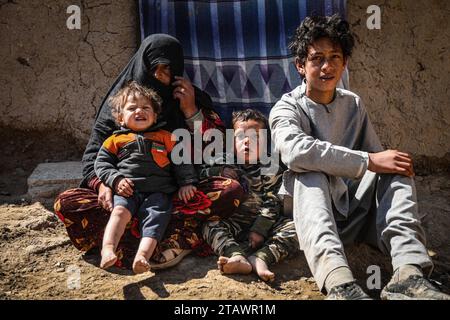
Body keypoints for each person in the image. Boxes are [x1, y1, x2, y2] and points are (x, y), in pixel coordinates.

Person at [269, 15, 450, 300]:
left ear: (345, 63)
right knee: (308, 172)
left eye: (334, 57)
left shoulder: (352, 103)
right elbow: (295, 151)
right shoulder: (287, 108)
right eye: (317, 59)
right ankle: (340, 284)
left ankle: (408, 274)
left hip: (353, 214)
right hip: (311, 215)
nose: (326, 66)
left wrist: (379, 162)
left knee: (396, 167)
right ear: (300, 66)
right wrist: (367, 161)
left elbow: (377, 160)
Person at [54, 34, 244, 269]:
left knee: (230, 191)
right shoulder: (121, 106)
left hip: (170, 196)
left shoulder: (186, 99)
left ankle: (142, 242)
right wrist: (104, 184)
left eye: (167, 70)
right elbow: (94, 158)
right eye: (154, 69)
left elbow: (211, 149)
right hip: (122, 195)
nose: (159, 77)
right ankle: (161, 240)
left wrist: (190, 111)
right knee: (68, 203)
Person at [94, 81, 198, 273]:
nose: (139, 111)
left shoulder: (166, 137)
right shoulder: (115, 140)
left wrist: (186, 183)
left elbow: (181, 161)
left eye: (145, 107)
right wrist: (115, 179)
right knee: (119, 213)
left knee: (156, 219)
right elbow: (101, 164)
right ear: (120, 118)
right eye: (132, 108)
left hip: (159, 193)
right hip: (127, 191)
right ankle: (108, 249)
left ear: (155, 115)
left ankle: (143, 256)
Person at [201, 109, 299, 282]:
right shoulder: (223, 160)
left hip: (266, 224)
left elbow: (273, 201)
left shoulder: (271, 166)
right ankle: (236, 256)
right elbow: (200, 174)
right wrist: (219, 170)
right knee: (209, 226)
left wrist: (260, 229)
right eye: (240, 136)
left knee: (297, 227)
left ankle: (262, 257)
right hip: (232, 221)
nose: (247, 141)